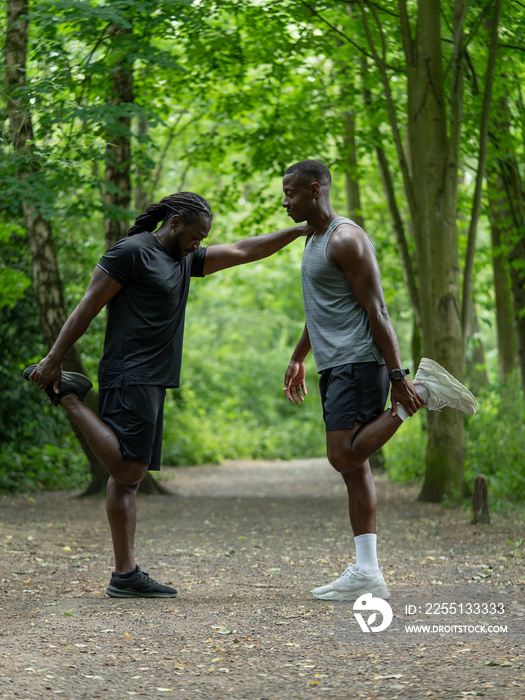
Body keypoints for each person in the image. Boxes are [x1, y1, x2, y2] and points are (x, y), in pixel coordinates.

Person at [24, 191, 312, 599]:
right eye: (196, 235)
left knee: (126, 481)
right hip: (129, 372)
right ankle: (69, 397)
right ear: (174, 222)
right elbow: (87, 305)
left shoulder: (185, 259)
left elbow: (245, 250)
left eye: (203, 238)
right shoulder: (131, 253)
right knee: (128, 471)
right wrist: (54, 359)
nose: (200, 243)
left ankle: (124, 575)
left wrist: (300, 230)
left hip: (155, 378)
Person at [281, 160, 477, 602]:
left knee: (342, 457)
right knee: (356, 468)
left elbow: (378, 310)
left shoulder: (347, 240)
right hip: (336, 363)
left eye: (291, 193)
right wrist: (299, 356)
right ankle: (367, 572)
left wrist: (398, 376)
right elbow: (323, 308)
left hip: (357, 362)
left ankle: (422, 394)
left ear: (315, 190)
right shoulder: (312, 239)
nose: (284, 201)